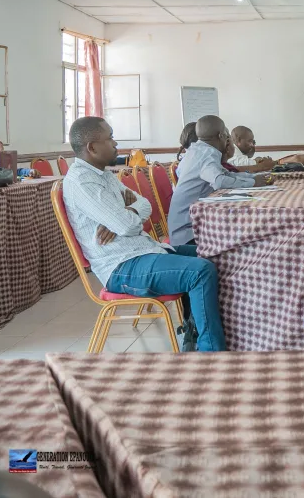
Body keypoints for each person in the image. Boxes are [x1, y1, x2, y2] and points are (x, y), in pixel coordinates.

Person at [61, 117, 225, 351]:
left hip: (143, 250)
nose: (116, 143)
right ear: (92, 147)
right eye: (110, 138)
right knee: (200, 271)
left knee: (214, 254)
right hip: (121, 266)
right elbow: (126, 225)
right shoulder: (82, 182)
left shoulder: (103, 175)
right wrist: (123, 216)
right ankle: (211, 352)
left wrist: (127, 211)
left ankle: (196, 332)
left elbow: (145, 204)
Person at [167, 115, 272, 246]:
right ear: (221, 136)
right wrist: (254, 182)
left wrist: (253, 178)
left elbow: (226, 174)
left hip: (188, 225)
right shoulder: (207, 154)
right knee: (247, 237)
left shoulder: (197, 150)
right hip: (188, 233)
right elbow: (219, 181)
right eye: (227, 136)